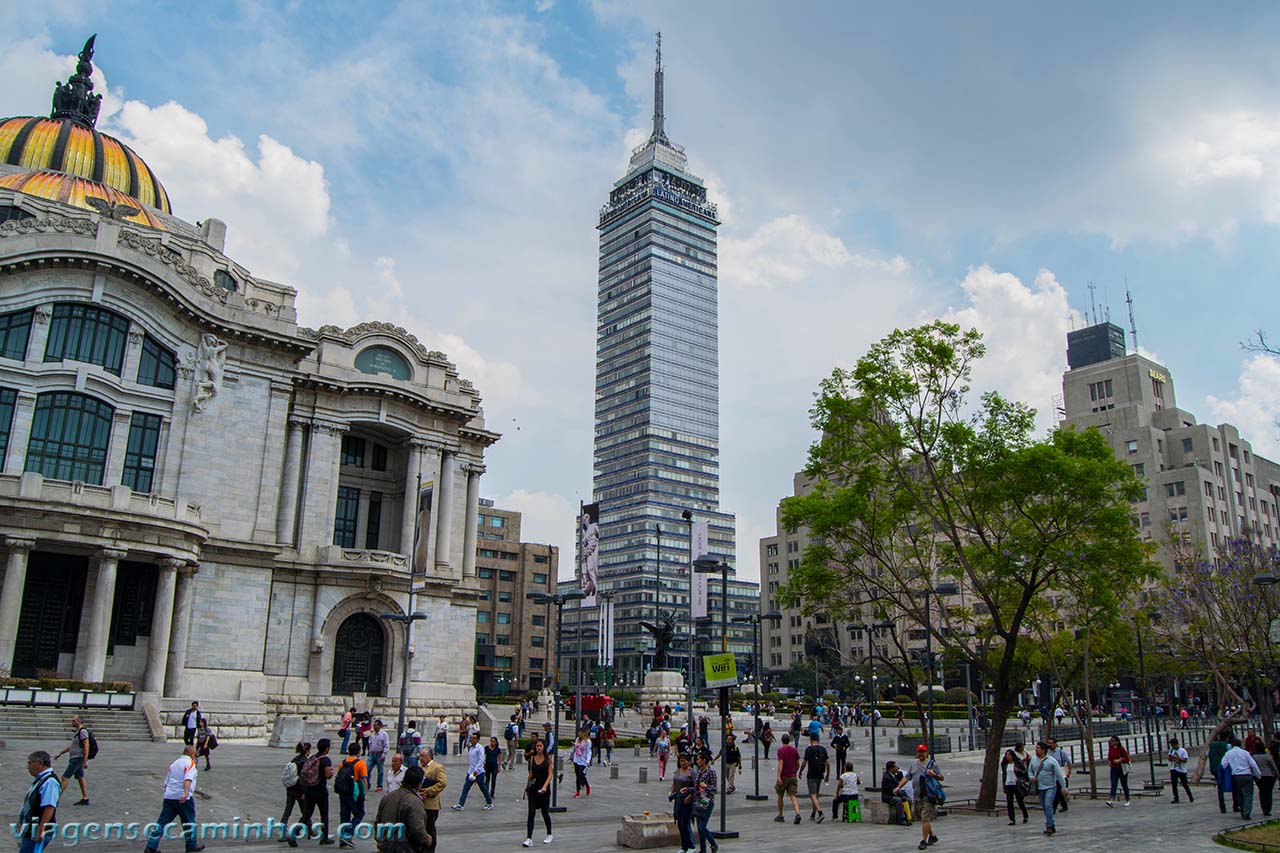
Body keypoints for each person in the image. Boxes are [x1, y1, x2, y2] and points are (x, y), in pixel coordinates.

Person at [144, 744, 205, 853]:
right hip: (183, 797)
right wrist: (186, 793)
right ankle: (191, 846)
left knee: (161, 822)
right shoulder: (190, 764)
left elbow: (166, 782)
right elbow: (187, 780)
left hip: (169, 796)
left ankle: (151, 846)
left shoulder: (174, 764)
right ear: (192, 753)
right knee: (189, 821)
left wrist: (169, 793)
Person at [374, 765, 431, 853]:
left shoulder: (388, 797)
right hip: (404, 848)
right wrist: (427, 839)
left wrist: (381, 841)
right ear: (419, 785)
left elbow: (378, 822)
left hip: (385, 846)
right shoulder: (415, 802)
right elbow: (417, 829)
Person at [18, 750, 60, 853]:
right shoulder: (41, 779)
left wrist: (41, 830)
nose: (28, 767)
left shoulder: (50, 782)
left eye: (30, 763)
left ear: (40, 763)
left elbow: (49, 807)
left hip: (37, 830)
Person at [298, 737, 335, 844]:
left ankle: (294, 833)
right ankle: (324, 838)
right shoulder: (326, 760)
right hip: (320, 790)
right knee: (324, 815)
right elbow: (328, 775)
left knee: (307, 814)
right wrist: (331, 772)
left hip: (309, 790)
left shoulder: (313, 757)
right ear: (327, 748)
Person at [908, 744, 943, 850]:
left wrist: (934, 775)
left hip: (929, 795)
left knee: (925, 819)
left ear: (927, 753)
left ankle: (923, 841)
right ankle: (932, 836)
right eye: (919, 752)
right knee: (921, 818)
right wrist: (898, 787)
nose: (921, 754)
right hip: (917, 796)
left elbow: (941, 778)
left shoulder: (933, 765)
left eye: (923, 752)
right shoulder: (913, 764)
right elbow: (907, 777)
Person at [1028, 741, 1066, 836]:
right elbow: (1030, 771)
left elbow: (1059, 775)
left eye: (1038, 748)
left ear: (1043, 750)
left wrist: (1064, 787)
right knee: (1045, 807)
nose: (1036, 750)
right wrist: (1032, 777)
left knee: (1048, 804)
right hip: (1039, 787)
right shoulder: (1033, 760)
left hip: (1050, 786)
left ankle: (1049, 825)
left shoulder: (1051, 761)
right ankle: (1051, 823)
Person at [334, 744, 368, 849]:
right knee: (359, 813)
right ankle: (347, 834)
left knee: (344, 815)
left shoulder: (342, 763)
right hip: (355, 792)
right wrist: (365, 793)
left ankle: (342, 839)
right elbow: (364, 779)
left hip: (343, 792)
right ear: (359, 752)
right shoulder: (360, 763)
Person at [53, 715, 91, 805]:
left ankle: (55, 799)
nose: (72, 723)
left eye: (74, 721)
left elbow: (86, 746)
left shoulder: (83, 732)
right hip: (76, 757)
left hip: (78, 758)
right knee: (80, 777)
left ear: (79, 721)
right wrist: (61, 753)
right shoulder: (78, 733)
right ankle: (85, 798)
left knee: (65, 777)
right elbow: (73, 746)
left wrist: (85, 760)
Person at [523, 737, 553, 847]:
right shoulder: (532, 758)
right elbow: (531, 773)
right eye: (537, 746)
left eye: (540, 746)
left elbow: (550, 774)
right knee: (531, 813)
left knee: (545, 813)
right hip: (533, 789)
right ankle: (529, 838)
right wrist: (527, 787)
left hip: (544, 789)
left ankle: (549, 834)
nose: (539, 748)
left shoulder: (548, 759)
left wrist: (545, 787)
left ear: (544, 747)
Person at [280, 741, 311, 847]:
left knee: (287, 810)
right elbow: (303, 778)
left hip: (290, 788)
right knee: (306, 811)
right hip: (299, 789)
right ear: (307, 750)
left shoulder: (294, 759)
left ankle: (282, 831)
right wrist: (304, 791)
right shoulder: (305, 762)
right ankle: (310, 830)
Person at [452, 732, 493, 810]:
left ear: (477, 740)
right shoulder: (471, 748)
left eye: (474, 738)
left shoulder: (479, 748)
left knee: (483, 787)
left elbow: (481, 759)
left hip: (478, 772)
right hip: (471, 771)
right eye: (471, 738)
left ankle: (489, 802)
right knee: (465, 787)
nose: (472, 739)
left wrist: (476, 770)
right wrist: (471, 771)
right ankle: (461, 804)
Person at [1224, 737, 1263, 819]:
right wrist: (1258, 774)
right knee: (1248, 794)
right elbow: (1253, 764)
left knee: (1239, 795)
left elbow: (1224, 764)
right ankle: (1247, 812)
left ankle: (1242, 810)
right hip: (1247, 774)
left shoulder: (1228, 753)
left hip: (1236, 776)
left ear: (1231, 745)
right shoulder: (1245, 753)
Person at [418, 748, 447, 853]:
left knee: (430, 828)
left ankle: (430, 849)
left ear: (428, 756)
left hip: (431, 804)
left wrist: (429, 791)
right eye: (420, 756)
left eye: (422, 756)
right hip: (420, 803)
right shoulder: (420, 768)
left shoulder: (437, 767)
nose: (420, 758)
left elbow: (442, 783)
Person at [690, 750, 719, 853]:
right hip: (698, 801)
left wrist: (706, 787)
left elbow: (715, 789)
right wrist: (689, 790)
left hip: (707, 801)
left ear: (704, 760)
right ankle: (703, 849)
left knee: (702, 827)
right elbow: (697, 787)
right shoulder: (700, 771)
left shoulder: (711, 772)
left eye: (699, 759)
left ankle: (713, 844)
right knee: (699, 827)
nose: (697, 761)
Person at [799, 731, 829, 822]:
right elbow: (827, 763)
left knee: (812, 795)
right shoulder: (823, 749)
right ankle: (813, 813)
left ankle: (820, 812)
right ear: (818, 740)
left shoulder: (809, 749)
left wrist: (800, 771)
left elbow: (804, 762)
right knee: (816, 795)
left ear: (811, 740)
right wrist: (827, 774)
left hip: (811, 774)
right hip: (820, 774)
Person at [773, 732, 802, 824]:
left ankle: (780, 815)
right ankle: (797, 813)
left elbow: (780, 763)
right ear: (789, 741)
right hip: (792, 776)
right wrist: (795, 771)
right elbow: (798, 763)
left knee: (780, 795)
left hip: (784, 776)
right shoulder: (794, 750)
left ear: (782, 740)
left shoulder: (781, 750)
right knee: (793, 796)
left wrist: (778, 777)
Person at [670, 754, 695, 853]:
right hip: (678, 800)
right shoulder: (677, 771)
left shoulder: (691, 772)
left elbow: (696, 786)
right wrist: (672, 791)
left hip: (687, 801)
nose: (682, 763)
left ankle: (691, 845)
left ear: (688, 762)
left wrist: (690, 796)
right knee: (680, 823)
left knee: (685, 823)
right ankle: (684, 846)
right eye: (681, 761)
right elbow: (674, 782)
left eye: (684, 761)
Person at [1001, 748, 1029, 825]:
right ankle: (1012, 819)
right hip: (1008, 785)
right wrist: (1004, 786)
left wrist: (1018, 770)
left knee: (1020, 801)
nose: (1007, 756)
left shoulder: (1018, 763)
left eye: (1009, 755)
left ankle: (1025, 815)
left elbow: (1025, 772)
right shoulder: (1005, 765)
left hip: (1017, 784)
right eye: (1006, 755)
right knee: (1009, 803)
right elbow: (1004, 776)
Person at [1251, 741, 1278, 817]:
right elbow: (1273, 766)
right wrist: (1277, 775)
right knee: (1268, 793)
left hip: (1258, 776)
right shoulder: (1267, 756)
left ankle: (1263, 808)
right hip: (1268, 775)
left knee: (1262, 792)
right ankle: (1268, 809)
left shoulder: (1253, 756)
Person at [1210, 731, 1234, 813]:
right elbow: (1231, 755)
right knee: (1233, 784)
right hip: (1226, 768)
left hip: (1214, 768)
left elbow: (1207, 754)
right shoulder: (1227, 745)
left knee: (1220, 787)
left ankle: (1222, 807)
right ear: (1227, 738)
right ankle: (1236, 805)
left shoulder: (1212, 745)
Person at [1105, 735, 1132, 807]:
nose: (1111, 742)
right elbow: (1109, 757)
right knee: (1113, 784)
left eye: (1112, 740)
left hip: (1121, 768)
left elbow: (1127, 759)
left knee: (1124, 784)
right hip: (1113, 768)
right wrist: (1109, 761)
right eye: (1110, 740)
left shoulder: (1121, 749)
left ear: (1117, 742)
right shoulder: (1110, 749)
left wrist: (1120, 760)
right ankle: (1111, 800)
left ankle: (1127, 799)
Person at [880, 761, 909, 825]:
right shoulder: (886, 777)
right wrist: (898, 792)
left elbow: (901, 778)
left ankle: (907, 817)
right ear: (891, 769)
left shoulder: (894, 775)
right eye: (895, 767)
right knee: (898, 800)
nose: (897, 768)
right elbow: (889, 790)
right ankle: (901, 819)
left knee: (907, 799)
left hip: (895, 794)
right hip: (888, 796)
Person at [1046, 737, 1070, 813]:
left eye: (1051, 743)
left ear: (1055, 743)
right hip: (1051, 774)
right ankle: (1064, 806)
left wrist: (1069, 772)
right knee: (1057, 791)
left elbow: (1068, 762)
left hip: (1061, 773)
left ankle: (1053, 808)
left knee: (1058, 791)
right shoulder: (1047, 753)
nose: (1049, 745)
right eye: (1048, 743)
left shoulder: (1061, 752)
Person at [1168, 737, 1194, 804]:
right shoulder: (1171, 750)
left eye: (1173, 745)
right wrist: (1171, 757)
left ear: (1176, 744)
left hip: (1182, 770)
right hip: (1174, 769)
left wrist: (1177, 758)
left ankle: (1190, 796)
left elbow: (1185, 760)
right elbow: (1169, 759)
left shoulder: (1183, 751)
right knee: (1174, 784)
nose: (1172, 747)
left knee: (1184, 784)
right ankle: (1176, 798)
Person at [367, 720, 389, 791]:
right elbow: (370, 743)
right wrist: (370, 751)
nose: (374, 727)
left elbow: (386, 745)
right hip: (372, 753)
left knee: (380, 771)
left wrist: (384, 755)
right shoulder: (372, 734)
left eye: (375, 725)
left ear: (379, 726)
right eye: (374, 725)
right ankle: (367, 784)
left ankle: (379, 785)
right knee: (367, 769)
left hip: (380, 754)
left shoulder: (383, 734)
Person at [571, 728, 592, 797]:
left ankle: (587, 785)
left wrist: (588, 760)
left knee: (581, 775)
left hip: (583, 761)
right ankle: (577, 791)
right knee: (577, 776)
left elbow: (589, 751)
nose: (579, 734)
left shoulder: (587, 741)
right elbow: (575, 748)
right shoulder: (577, 739)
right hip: (576, 759)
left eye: (580, 733)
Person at [484, 736, 502, 801]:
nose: (492, 743)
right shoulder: (486, 748)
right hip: (487, 766)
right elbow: (484, 756)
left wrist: (499, 767)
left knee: (493, 780)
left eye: (493, 741)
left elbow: (499, 759)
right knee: (487, 780)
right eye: (491, 741)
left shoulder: (498, 749)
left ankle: (492, 793)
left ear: (496, 742)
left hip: (494, 766)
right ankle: (486, 793)